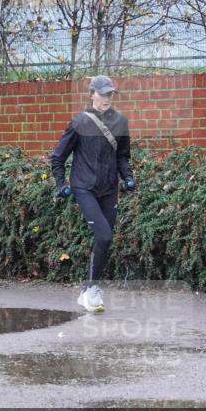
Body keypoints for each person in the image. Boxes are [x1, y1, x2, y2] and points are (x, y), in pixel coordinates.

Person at [50, 75, 136, 312]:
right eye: (102, 94)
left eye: (110, 94)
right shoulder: (80, 122)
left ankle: (87, 289)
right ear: (92, 94)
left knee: (104, 240)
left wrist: (128, 177)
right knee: (104, 236)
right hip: (84, 187)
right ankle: (92, 291)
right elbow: (58, 156)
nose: (106, 98)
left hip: (109, 189)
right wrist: (60, 184)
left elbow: (122, 155)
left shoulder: (120, 122)